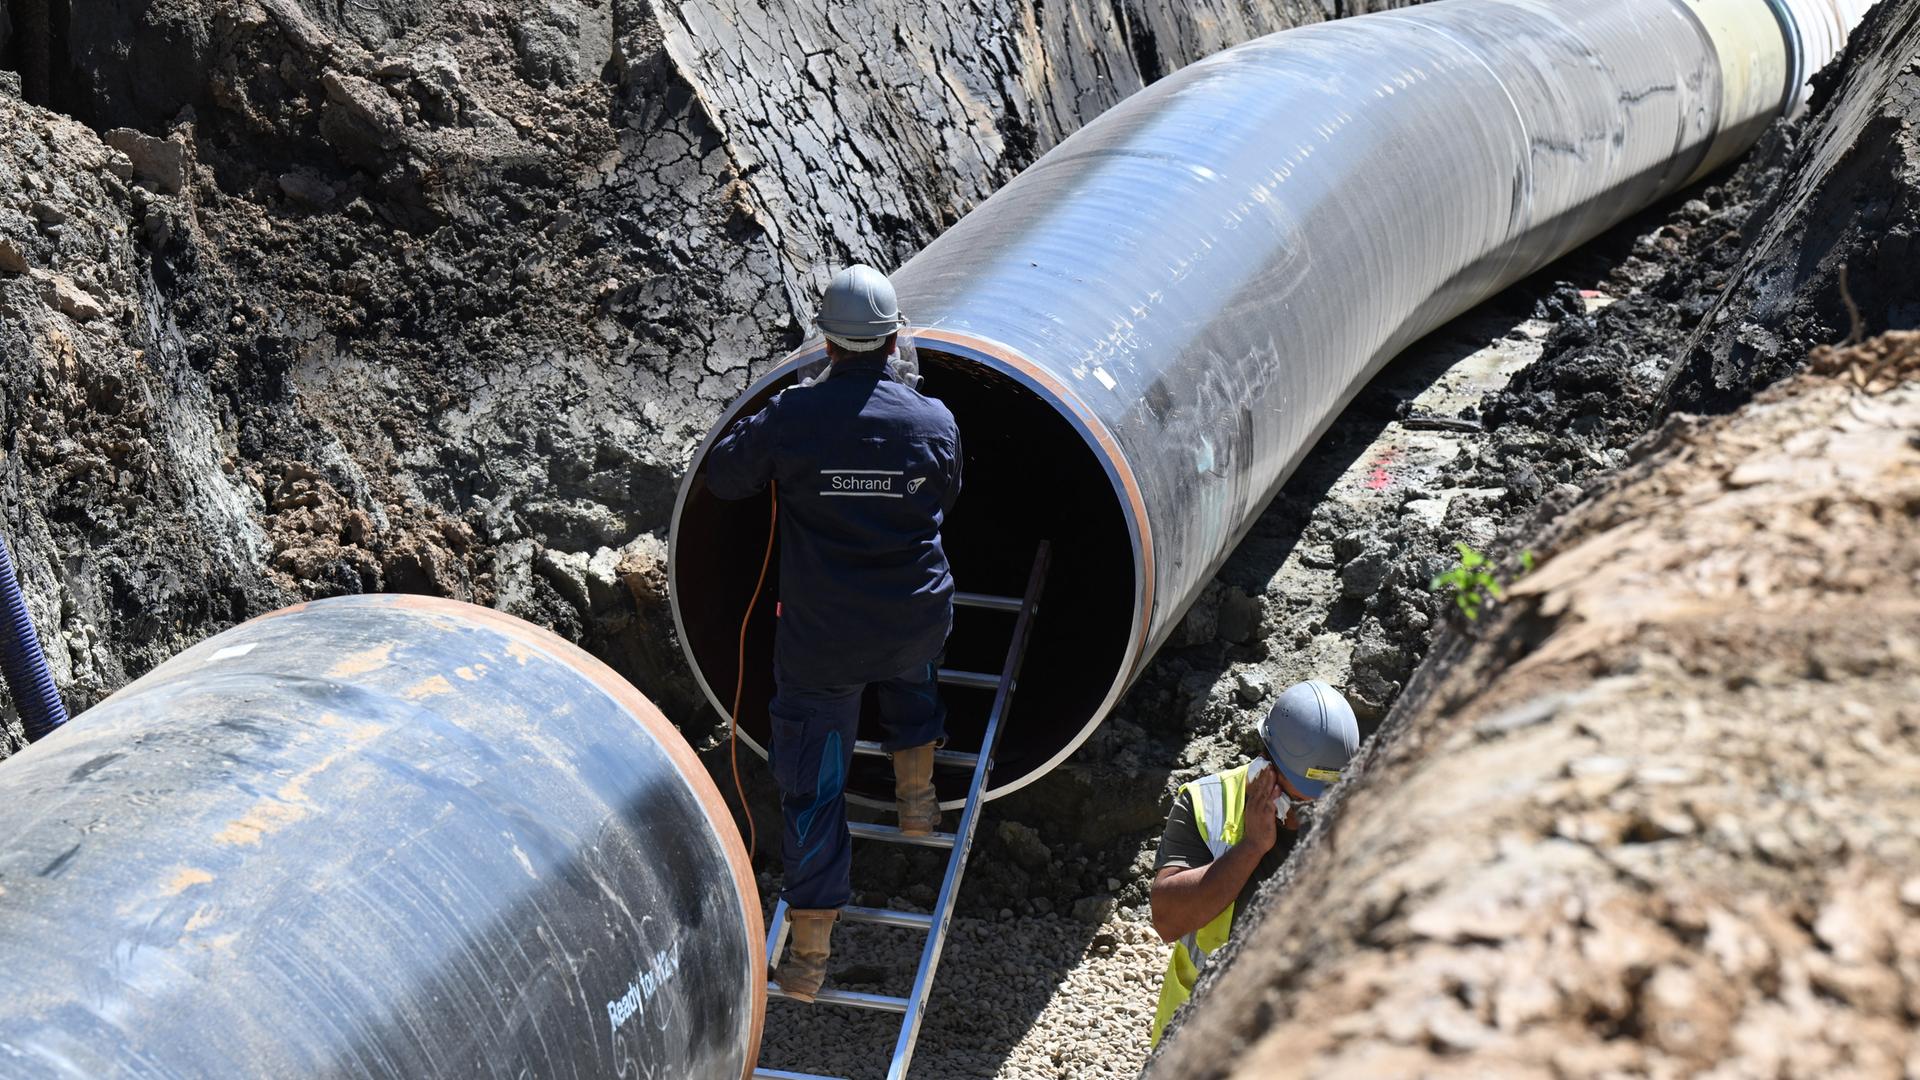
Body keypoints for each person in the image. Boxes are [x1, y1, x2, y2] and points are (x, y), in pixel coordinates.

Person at [705, 264, 963, 1003]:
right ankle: (918, 801)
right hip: (915, 619)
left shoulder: (795, 416)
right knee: (912, 657)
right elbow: (947, 491)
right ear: (892, 341)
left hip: (823, 643)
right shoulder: (934, 419)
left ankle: (810, 957)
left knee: (815, 789)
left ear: (826, 341)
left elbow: (725, 477)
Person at [1147, 679, 1360, 1044]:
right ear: (1266, 767)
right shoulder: (1206, 804)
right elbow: (1167, 919)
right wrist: (1251, 846)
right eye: (1299, 799)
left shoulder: (1357, 816)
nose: (1309, 813)